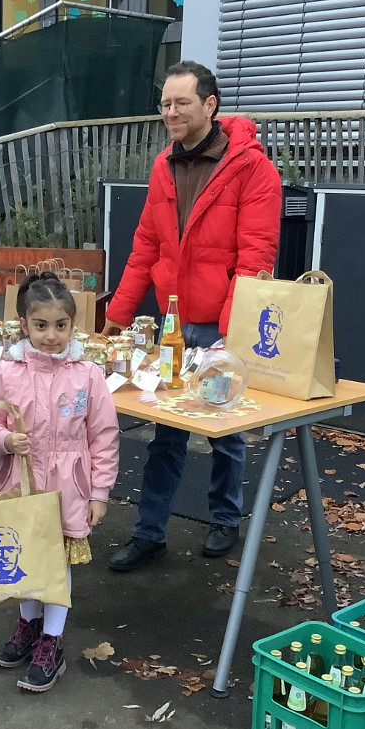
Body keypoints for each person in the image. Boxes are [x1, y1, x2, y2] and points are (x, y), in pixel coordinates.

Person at [104, 60, 282, 571]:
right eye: (165, 103)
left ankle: (226, 521)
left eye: (181, 102)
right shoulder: (163, 165)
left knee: (225, 432)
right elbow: (145, 246)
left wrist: (229, 334)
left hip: (221, 325)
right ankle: (149, 532)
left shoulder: (253, 168)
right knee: (165, 432)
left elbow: (256, 259)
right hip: (172, 324)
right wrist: (117, 314)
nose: (171, 112)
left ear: (210, 105)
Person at [0, 272, 119, 692]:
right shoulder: (6, 371)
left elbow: (104, 435)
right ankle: (29, 625)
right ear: (24, 323)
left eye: (61, 325)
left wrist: (100, 492)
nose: (51, 335)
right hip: (19, 481)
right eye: (41, 325)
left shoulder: (89, 374)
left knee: (55, 563)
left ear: (74, 326)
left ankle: (51, 642)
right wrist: (3, 439)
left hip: (68, 488)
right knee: (23, 556)